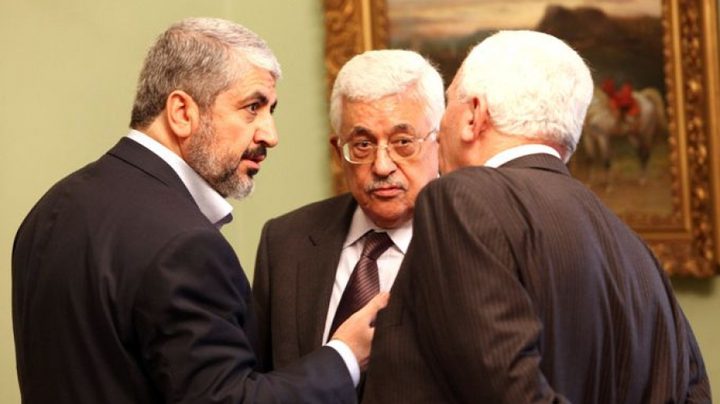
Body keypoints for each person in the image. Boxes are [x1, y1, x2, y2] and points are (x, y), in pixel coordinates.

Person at [12, 17, 387, 404]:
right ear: (181, 112)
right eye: (252, 107)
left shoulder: (50, 209)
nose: (270, 135)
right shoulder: (185, 245)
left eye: (270, 110)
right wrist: (345, 356)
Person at [362, 30, 711, 403]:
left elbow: (508, 390)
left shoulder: (462, 199)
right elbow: (693, 394)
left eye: (449, 104)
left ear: (474, 116)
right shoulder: (636, 251)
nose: (438, 130)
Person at [252, 49, 442, 381]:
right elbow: (259, 384)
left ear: (439, 142)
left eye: (402, 142)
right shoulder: (285, 242)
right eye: (362, 145)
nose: (382, 166)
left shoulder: (473, 241)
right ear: (338, 152)